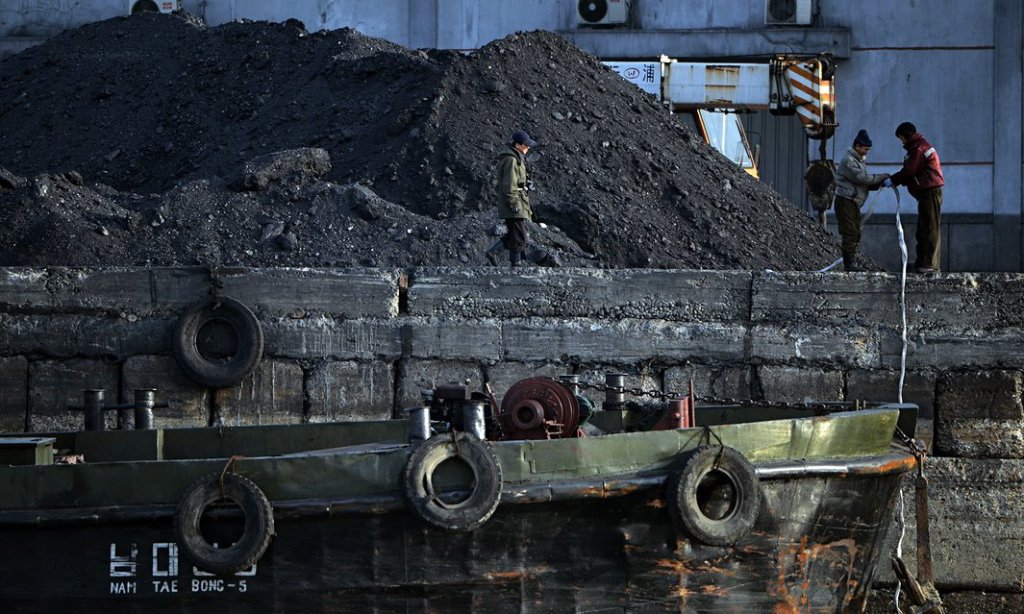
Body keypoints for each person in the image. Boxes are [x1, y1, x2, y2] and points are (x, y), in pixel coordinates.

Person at [485, 130, 559, 267]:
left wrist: (525, 183)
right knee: (520, 236)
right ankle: (516, 264)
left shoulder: (515, 158)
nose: (528, 147)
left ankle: (494, 253)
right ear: (517, 145)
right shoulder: (512, 160)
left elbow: (515, 181)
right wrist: (513, 203)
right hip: (514, 203)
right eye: (525, 145)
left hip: (518, 201)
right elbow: (509, 184)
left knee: (516, 233)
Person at [884, 122, 945, 273]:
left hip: (929, 191)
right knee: (923, 229)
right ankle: (922, 263)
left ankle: (930, 264)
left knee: (930, 228)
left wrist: (893, 180)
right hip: (926, 192)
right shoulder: (918, 147)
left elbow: (909, 171)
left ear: (906, 136)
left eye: (901, 139)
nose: (901, 142)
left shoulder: (918, 149)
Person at [833, 129, 888, 271]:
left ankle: (851, 263)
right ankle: (849, 265)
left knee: (854, 232)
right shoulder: (849, 161)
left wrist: (877, 184)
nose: (867, 152)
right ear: (857, 146)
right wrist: (880, 177)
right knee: (850, 232)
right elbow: (860, 178)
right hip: (846, 201)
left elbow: (860, 184)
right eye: (865, 148)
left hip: (852, 202)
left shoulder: (858, 161)